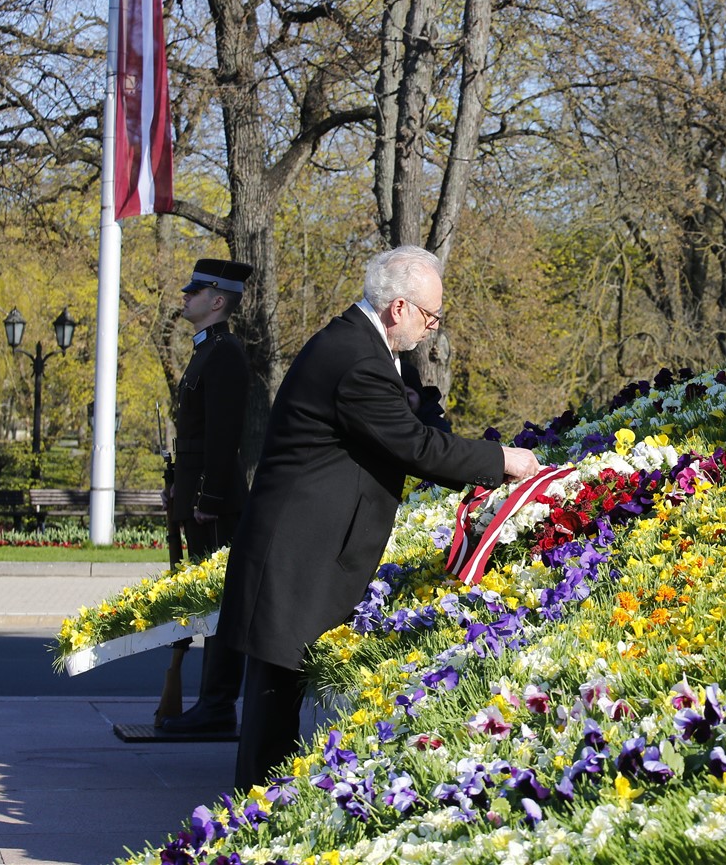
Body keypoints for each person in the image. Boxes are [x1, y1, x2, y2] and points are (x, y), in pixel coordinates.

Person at [218, 245, 540, 790]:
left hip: (306, 551)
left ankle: (266, 808)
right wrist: (501, 461)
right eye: (431, 315)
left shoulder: (369, 347)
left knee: (280, 701)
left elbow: (420, 421)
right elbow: (413, 446)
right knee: (273, 711)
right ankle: (255, 817)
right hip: (296, 557)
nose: (434, 327)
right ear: (399, 308)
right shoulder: (356, 359)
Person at [160, 258, 254, 734]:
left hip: (214, 503)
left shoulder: (225, 353)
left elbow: (223, 434)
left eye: (195, 292)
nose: (186, 296)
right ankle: (208, 703)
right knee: (205, 602)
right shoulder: (206, 351)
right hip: (198, 494)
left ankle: (217, 707)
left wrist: (210, 497)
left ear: (217, 300)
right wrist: (180, 483)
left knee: (218, 604)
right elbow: (196, 435)